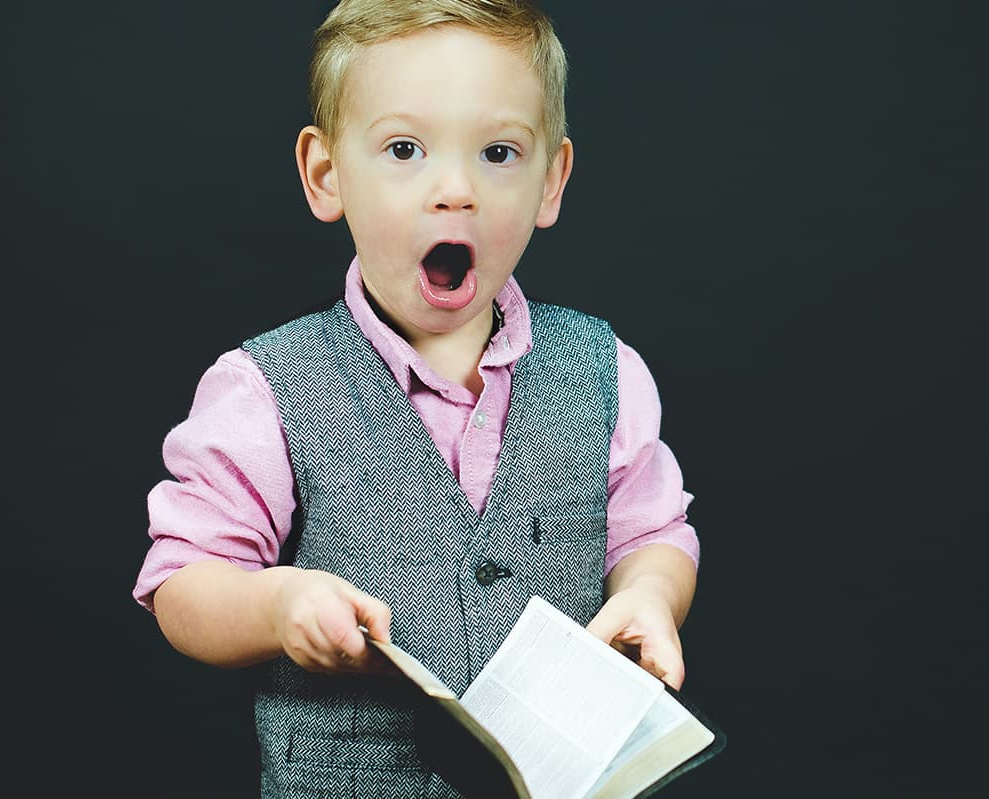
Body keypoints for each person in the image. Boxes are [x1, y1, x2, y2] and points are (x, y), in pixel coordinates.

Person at [130, 1, 700, 794]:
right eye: (405, 148)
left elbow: (655, 529)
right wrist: (276, 603)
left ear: (551, 181)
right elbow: (180, 583)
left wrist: (649, 591)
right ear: (327, 176)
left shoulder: (606, 370)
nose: (455, 189)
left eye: (499, 152)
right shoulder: (266, 389)